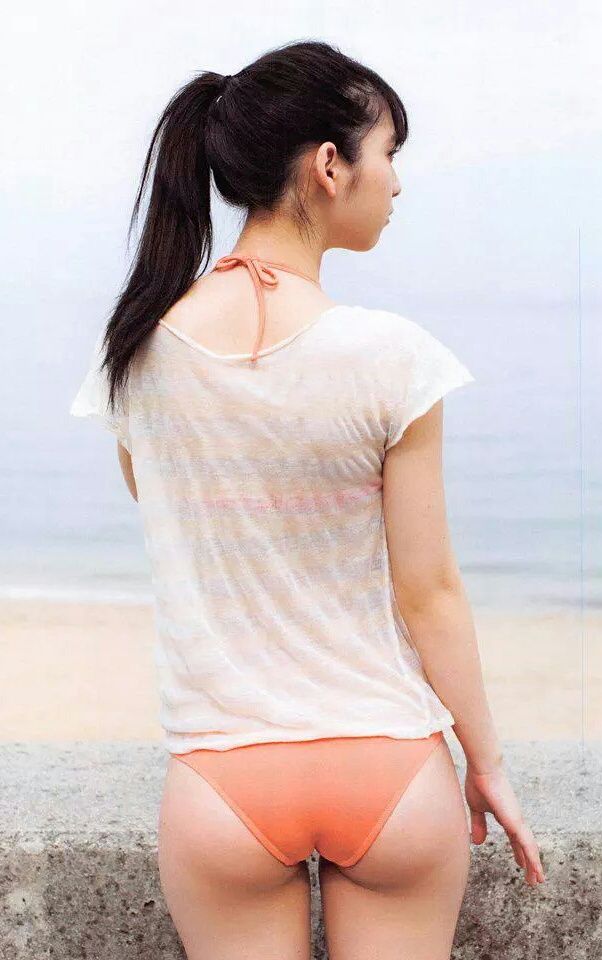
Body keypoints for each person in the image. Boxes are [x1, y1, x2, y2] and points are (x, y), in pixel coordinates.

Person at [70, 38, 545, 960]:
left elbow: (175, 510)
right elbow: (429, 591)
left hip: (222, 782)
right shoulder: (391, 356)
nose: (397, 182)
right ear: (330, 166)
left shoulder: (137, 350)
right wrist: (485, 762)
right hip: (389, 768)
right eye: (389, 152)